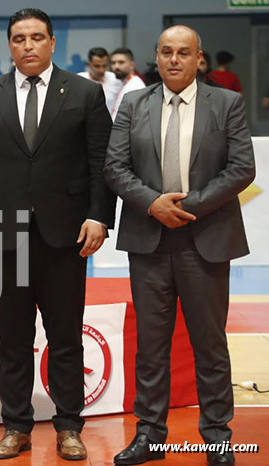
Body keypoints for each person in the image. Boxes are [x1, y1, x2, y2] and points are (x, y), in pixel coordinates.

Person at [0, 8, 116, 461]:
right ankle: (16, 426)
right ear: (10, 45)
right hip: (4, 233)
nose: (28, 45)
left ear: (52, 42)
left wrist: (99, 216)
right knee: (14, 339)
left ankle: (69, 427)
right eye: (19, 38)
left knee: (65, 337)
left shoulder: (84, 93)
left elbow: (101, 161)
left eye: (37, 37)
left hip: (66, 233)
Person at [105, 26, 255, 466]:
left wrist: (188, 207)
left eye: (183, 52)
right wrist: (153, 203)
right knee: (151, 347)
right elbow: (114, 167)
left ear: (198, 58)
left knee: (210, 345)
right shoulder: (134, 103)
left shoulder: (226, 103)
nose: (174, 59)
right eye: (167, 51)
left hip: (205, 238)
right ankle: (149, 435)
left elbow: (241, 168)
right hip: (148, 240)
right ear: (157, 57)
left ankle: (218, 437)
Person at [77, 46, 122, 114]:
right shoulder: (79, 80)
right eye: (97, 66)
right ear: (88, 64)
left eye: (104, 66)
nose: (101, 70)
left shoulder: (115, 79)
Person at [110, 47, 146, 119]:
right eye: (113, 63)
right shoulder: (125, 82)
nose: (116, 66)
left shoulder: (135, 85)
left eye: (121, 62)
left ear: (132, 65)